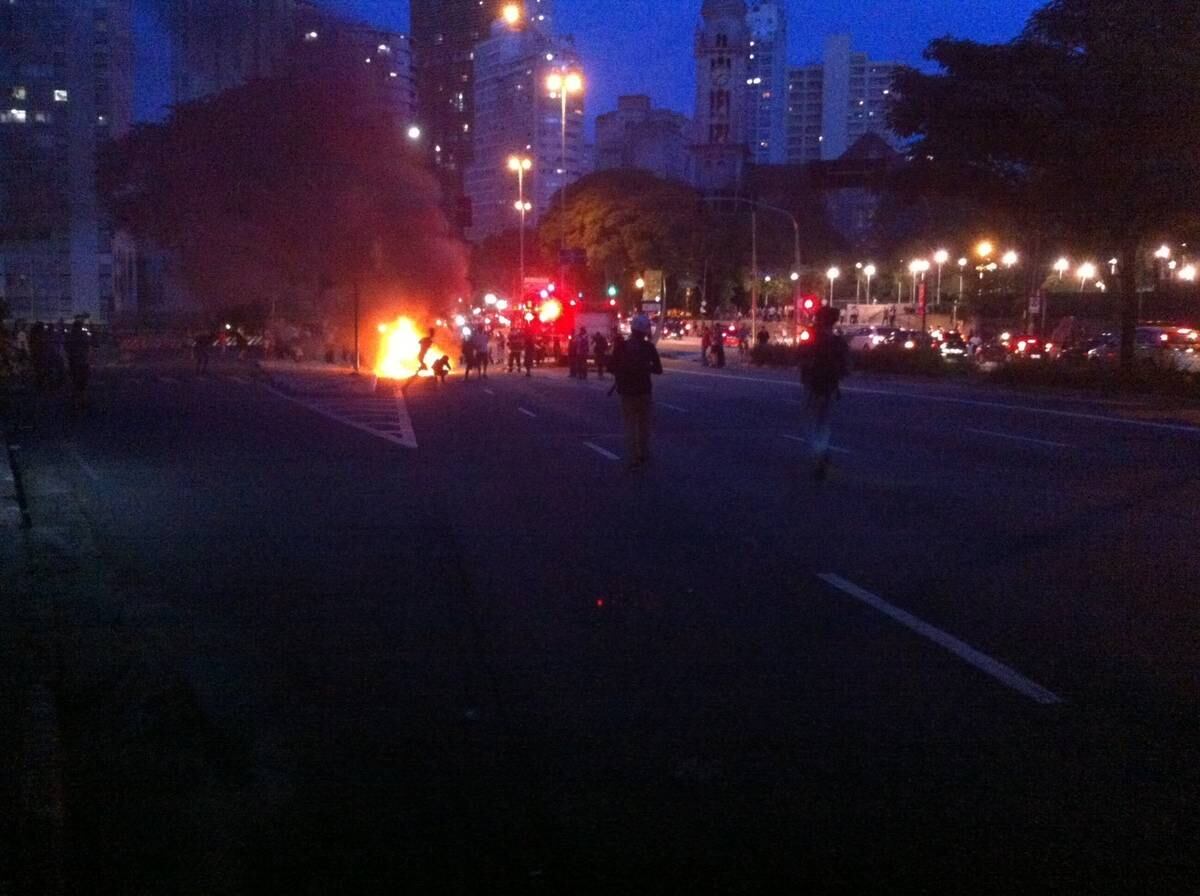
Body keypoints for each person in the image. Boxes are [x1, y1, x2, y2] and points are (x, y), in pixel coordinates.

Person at [800, 306, 850, 481]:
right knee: (824, 423)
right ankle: (822, 454)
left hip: (813, 384)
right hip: (830, 386)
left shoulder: (811, 337)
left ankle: (819, 455)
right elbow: (846, 367)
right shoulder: (838, 341)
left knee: (811, 423)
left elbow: (800, 356)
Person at [608, 314, 662, 472]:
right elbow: (658, 369)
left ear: (632, 329)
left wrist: (623, 371)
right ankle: (644, 453)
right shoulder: (649, 347)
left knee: (630, 426)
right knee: (644, 425)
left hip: (626, 391)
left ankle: (633, 457)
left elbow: (610, 367)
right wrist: (645, 367)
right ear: (645, 331)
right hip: (644, 390)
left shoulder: (622, 347)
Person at [65, 317, 91, 408]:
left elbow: (67, 347)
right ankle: (83, 399)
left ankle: (75, 400)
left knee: (75, 380)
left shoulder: (70, 335)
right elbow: (89, 345)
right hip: (83, 361)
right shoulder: (84, 335)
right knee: (83, 382)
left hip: (73, 360)